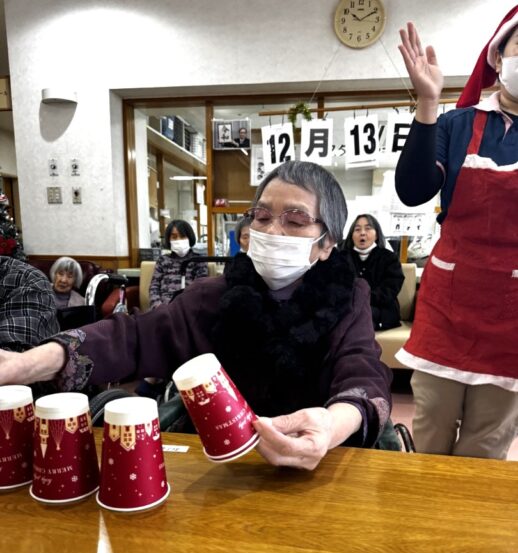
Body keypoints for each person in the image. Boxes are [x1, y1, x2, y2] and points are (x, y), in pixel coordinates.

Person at [0, 161, 392, 470]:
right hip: (220, 467)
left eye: (295, 220)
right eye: (261, 216)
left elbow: (363, 373)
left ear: (327, 243)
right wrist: (24, 364)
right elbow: (135, 336)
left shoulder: (347, 298)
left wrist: (330, 426)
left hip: (318, 468)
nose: (273, 231)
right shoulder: (213, 296)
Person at [395, 11, 518, 459]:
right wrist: (428, 105)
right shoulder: (457, 124)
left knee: (487, 442)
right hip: (449, 301)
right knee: (431, 427)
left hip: (513, 317)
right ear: (498, 58)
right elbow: (413, 190)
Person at [338, 213, 404, 331]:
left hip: (380, 309)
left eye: (368, 228)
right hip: (347, 307)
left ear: (377, 235)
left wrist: (361, 299)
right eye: (357, 229)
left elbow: (390, 289)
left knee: (359, 317)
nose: (362, 233)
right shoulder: (341, 258)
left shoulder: (389, 258)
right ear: (351, 235)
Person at [0, 255, 59, 352]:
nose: (64, 280)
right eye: (60, 274)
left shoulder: (29, 281)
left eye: (69, 276)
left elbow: (12, 354)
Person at [148, 219, 208, 309]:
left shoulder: (198, 260)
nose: (179, 240)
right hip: (163, 309)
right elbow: (154, 287)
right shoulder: (162, 260)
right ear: (168, 240)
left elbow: (200, 289)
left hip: (188, 308)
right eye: (174, 237)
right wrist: (158, 307)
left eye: (183, 236)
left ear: (190, 237)